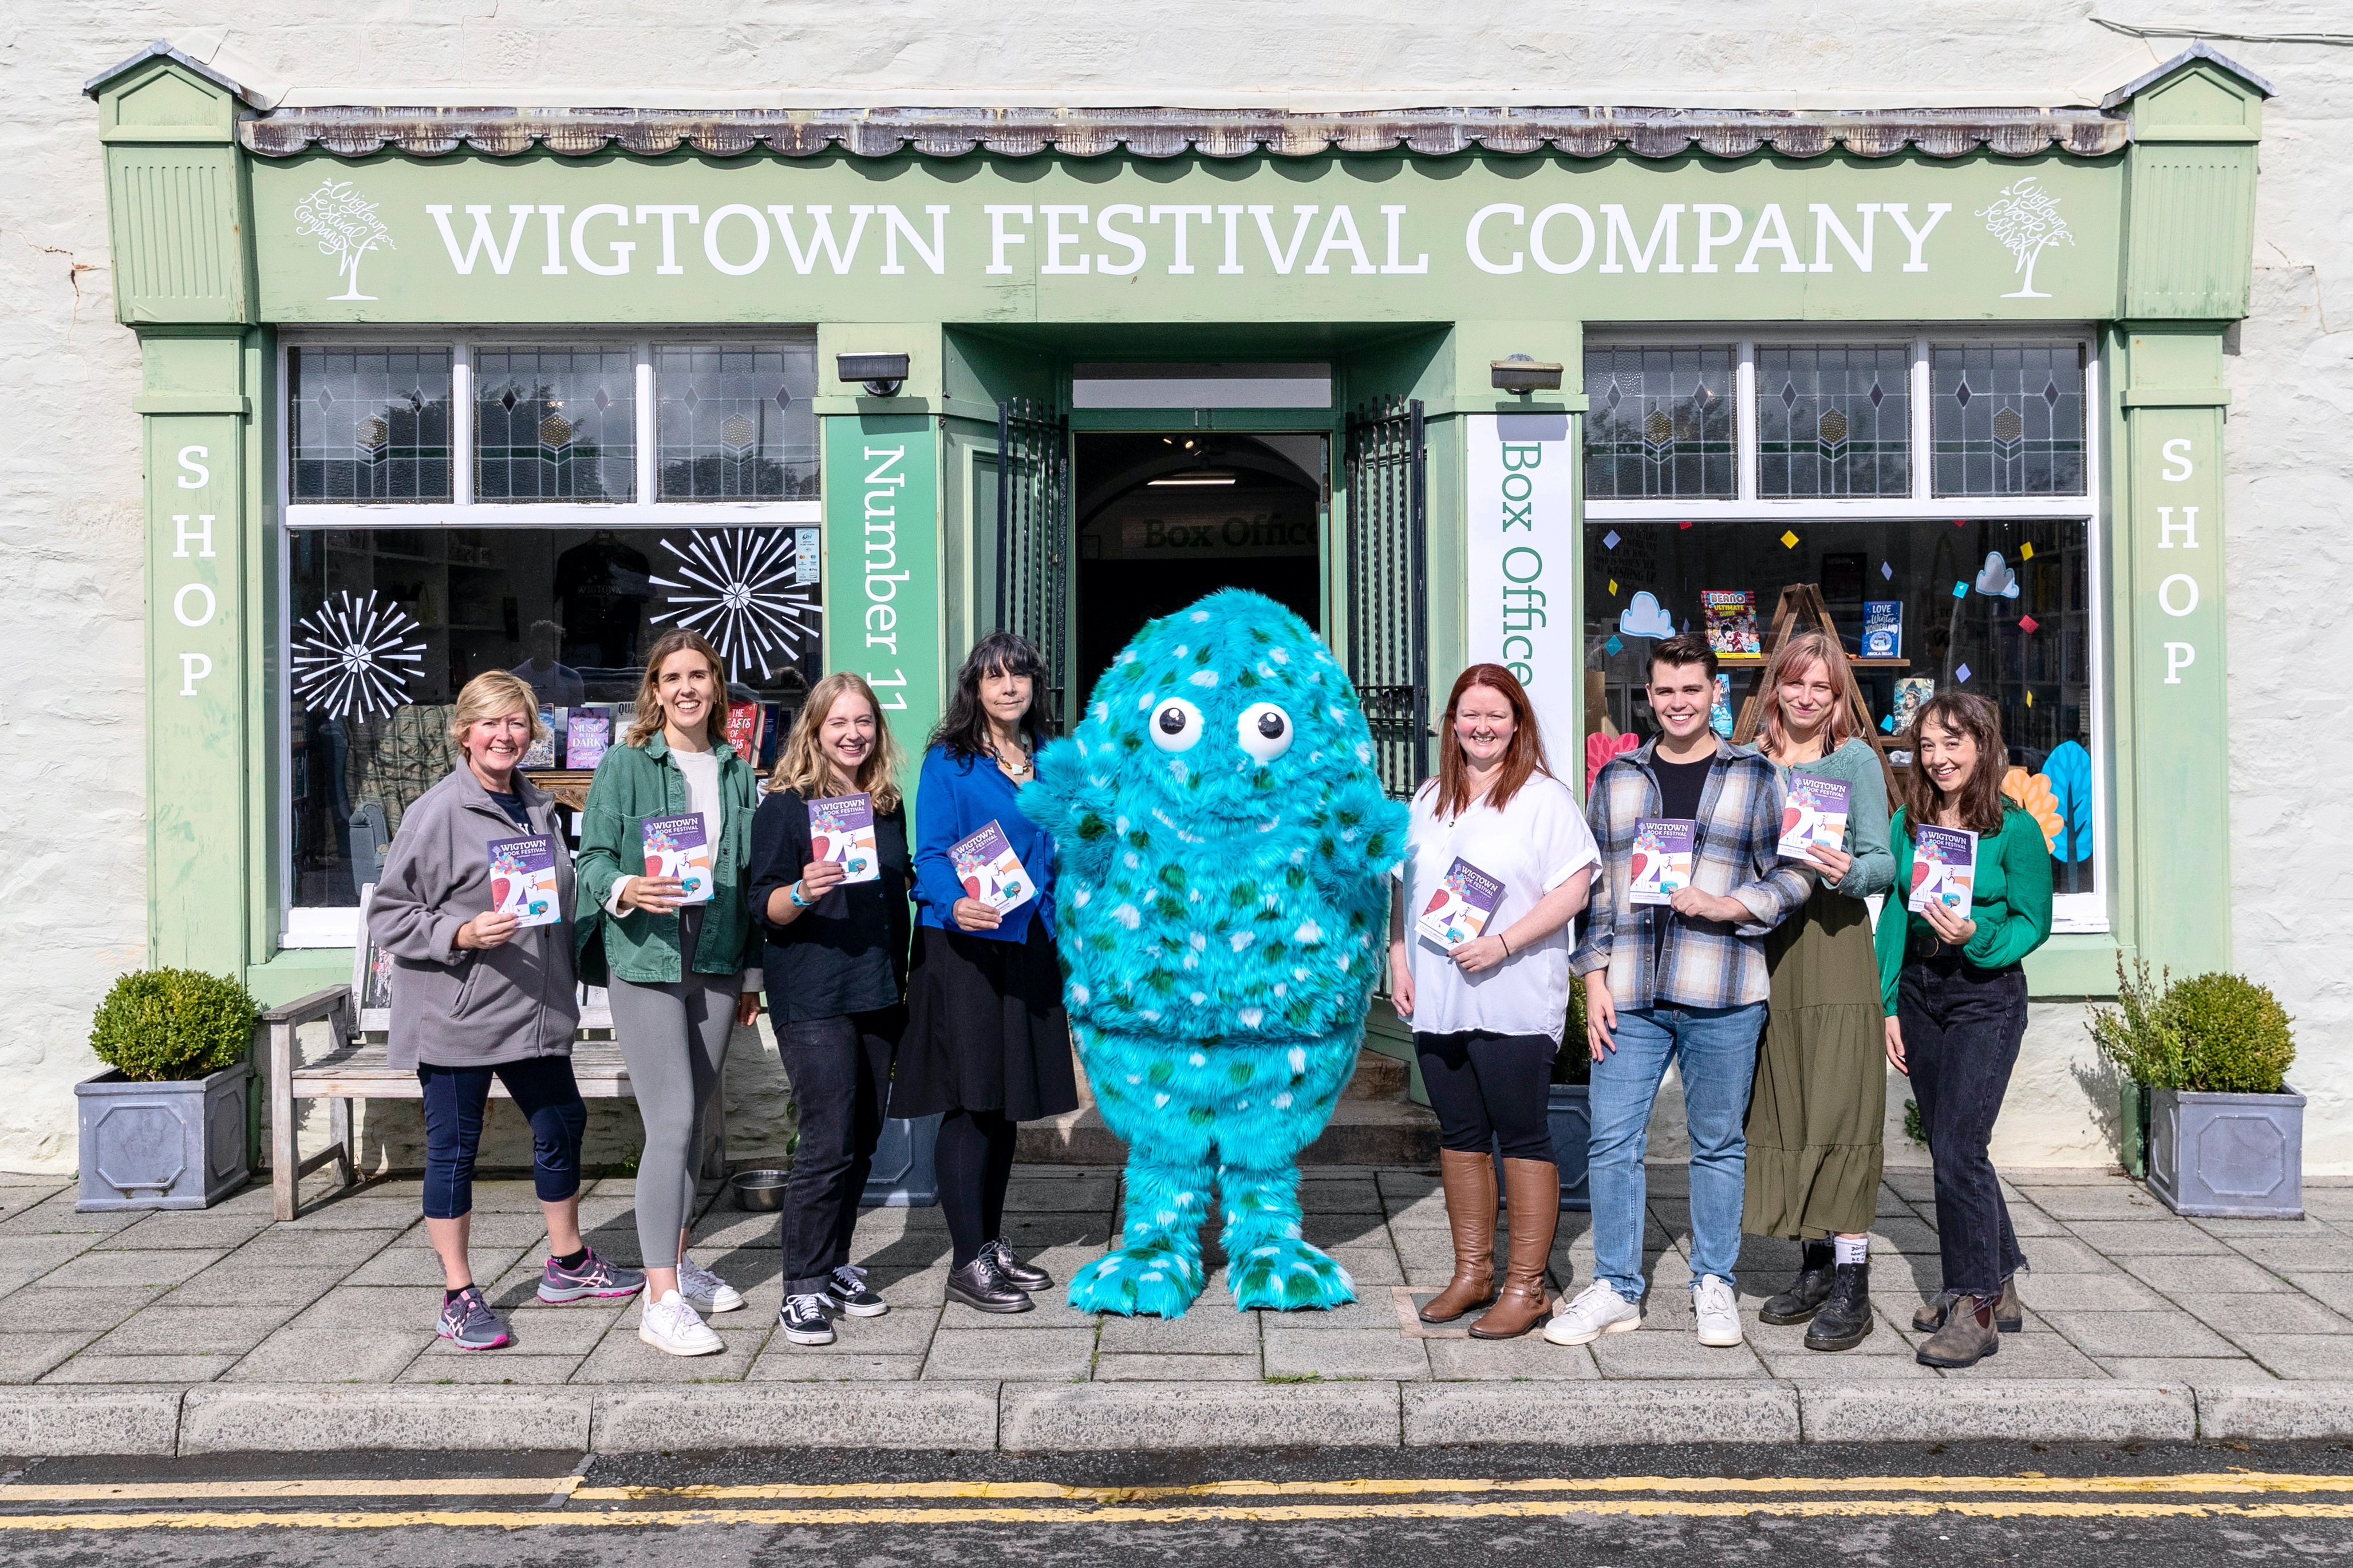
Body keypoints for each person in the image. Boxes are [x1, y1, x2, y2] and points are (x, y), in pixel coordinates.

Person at [1547, 631, 1812, 1352]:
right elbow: (1596, 892)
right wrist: (1593, 982)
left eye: (1692, 690)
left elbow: (1795, 873)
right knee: (1610, 1140)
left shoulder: (1756, 774)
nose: (1678, 703)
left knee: (1719, 1143)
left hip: (1723, 986)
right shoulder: (1620, 778)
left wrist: (1733, 906)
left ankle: (1714, 1282)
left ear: (1714, 693)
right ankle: (1616, 1287)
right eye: (1665, 691)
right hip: (1630, 990)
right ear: (1650, 693)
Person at [369, 671, 643, 1352]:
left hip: (533, 1009)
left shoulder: (537, 805)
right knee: (454, 1152)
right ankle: (458, 1295)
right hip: (458, 1015)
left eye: (517, 723)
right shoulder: (437, 812)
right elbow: (390, 914)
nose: (504, 735)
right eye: (490, 723)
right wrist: (458, 935)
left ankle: (568, 1263)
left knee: (562, 1124)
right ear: (464, 733)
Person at [1389, 665, 1597, 1339]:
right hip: (1439, 997)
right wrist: (1397, 956)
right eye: (1469, 715)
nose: (1482, 727)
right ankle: (1473, 1273)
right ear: (1452, 724)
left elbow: (1575, 889)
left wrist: (1505, 943)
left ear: (1517, 724)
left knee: (1523, 1133)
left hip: (1509, 995)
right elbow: (1404, 888)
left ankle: (1527, 1287)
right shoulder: (1427, 798)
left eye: (1496, 716)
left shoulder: (1543, 801)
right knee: (1460, 1134)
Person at [574, 629, 764, 1357]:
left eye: (700, 676)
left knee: (693, 1126)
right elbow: (589, 859)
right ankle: (660, 1302)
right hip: (646, 957)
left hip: (715, 957)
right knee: (675, 1119)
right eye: (672, 677)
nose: (687, 688)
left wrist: (750, 978)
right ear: (654, 691)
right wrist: (626, 886)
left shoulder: (735, 771)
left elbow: (746, 883)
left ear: (716, 688)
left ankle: (679, 1261)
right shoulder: (624, 764)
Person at [894, 632, 1079, 1313]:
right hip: (966, 946)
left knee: (1005, 1106)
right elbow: (932, 853)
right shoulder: (950, 761)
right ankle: (966, 1261)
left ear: (1034, 686)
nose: (1008, 688)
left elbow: (1062, 855)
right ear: (974, 688)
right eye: (994, 677)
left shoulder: (1050, 765)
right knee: (971, 1103)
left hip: (1028, 943)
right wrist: (955, 903)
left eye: (1020, 676)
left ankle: (991, 1245)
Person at [1877, 692, 2053, 1369]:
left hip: (1986, 993)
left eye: (1953, 742)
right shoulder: (1910, 822)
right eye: (1927, 745)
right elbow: (1895, 914)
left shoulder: (2015, 828)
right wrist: (1888, 1002)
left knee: (1957, 1146)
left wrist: (1980, 937)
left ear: (1983, 745)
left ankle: (1972, 1307)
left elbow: (2032, 922)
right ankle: (2001, 1282)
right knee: (1955, 1147)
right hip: (1922, 992)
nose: (1939, 757)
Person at [748, 673, 913, 1347]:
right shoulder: (784, 808)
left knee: (865, 1137)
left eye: (864, 722)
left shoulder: (885, 802)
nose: (853, 734)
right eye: (839, 722)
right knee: (827, 1138)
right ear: (814, 729)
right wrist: (804, 888)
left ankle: (837, 1260)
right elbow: (764, 907)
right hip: (813, 995)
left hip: (878, 988)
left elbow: (898, 882)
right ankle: (802, 1288)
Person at [1743, 630, 1896, 1352]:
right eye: (1795, 684)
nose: (1806, 698)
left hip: (1832, 946)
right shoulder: (1751, 760)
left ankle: (1853, 1285)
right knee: (1787, 1105)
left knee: (1839, 1106)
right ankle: (1811, 1267)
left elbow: (1884, 862)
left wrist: (1847, 871)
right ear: (1776, 687)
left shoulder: (1855, 760)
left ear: (1838, 697)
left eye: (1822, 688)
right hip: (1764, 951)